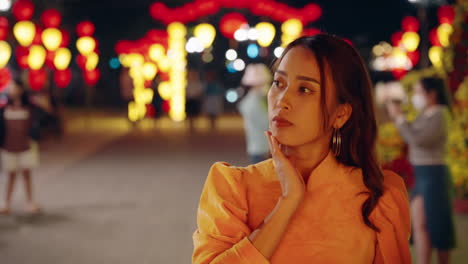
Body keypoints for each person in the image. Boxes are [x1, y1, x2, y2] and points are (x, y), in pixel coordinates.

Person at [192, 34, 411, 263]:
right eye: (278, 83)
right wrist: (288, 202)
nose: (282, 100)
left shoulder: (378, 199)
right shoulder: (234, 189)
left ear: (341, 114)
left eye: (305, 89)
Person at [387, 77, 456, 264]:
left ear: (432, 93)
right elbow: (410, 135)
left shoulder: (440, 114)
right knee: (419, 224)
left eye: (418, 92)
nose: (415, 97)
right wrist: (399, 117)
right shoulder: (424, 115)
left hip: (434, 174)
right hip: (421, 174)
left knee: (439, 225)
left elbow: (418, 140)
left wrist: (400, 118)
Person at [0, 78, 42, 215]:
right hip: (9, 146)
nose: (12, 90)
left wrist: (33, 136)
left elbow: (40, 120)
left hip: (26, 146)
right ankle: (6, 202)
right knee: (10, 174)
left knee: (26, 173)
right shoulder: (4, 106)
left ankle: (30, 201)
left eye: (14, 87)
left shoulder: (30, 106)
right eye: (10, 87)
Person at [238, 63, 270, 163]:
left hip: (257, 147)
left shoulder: (252, 99)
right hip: (262, 149)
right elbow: (265, 123)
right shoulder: (255, 101)